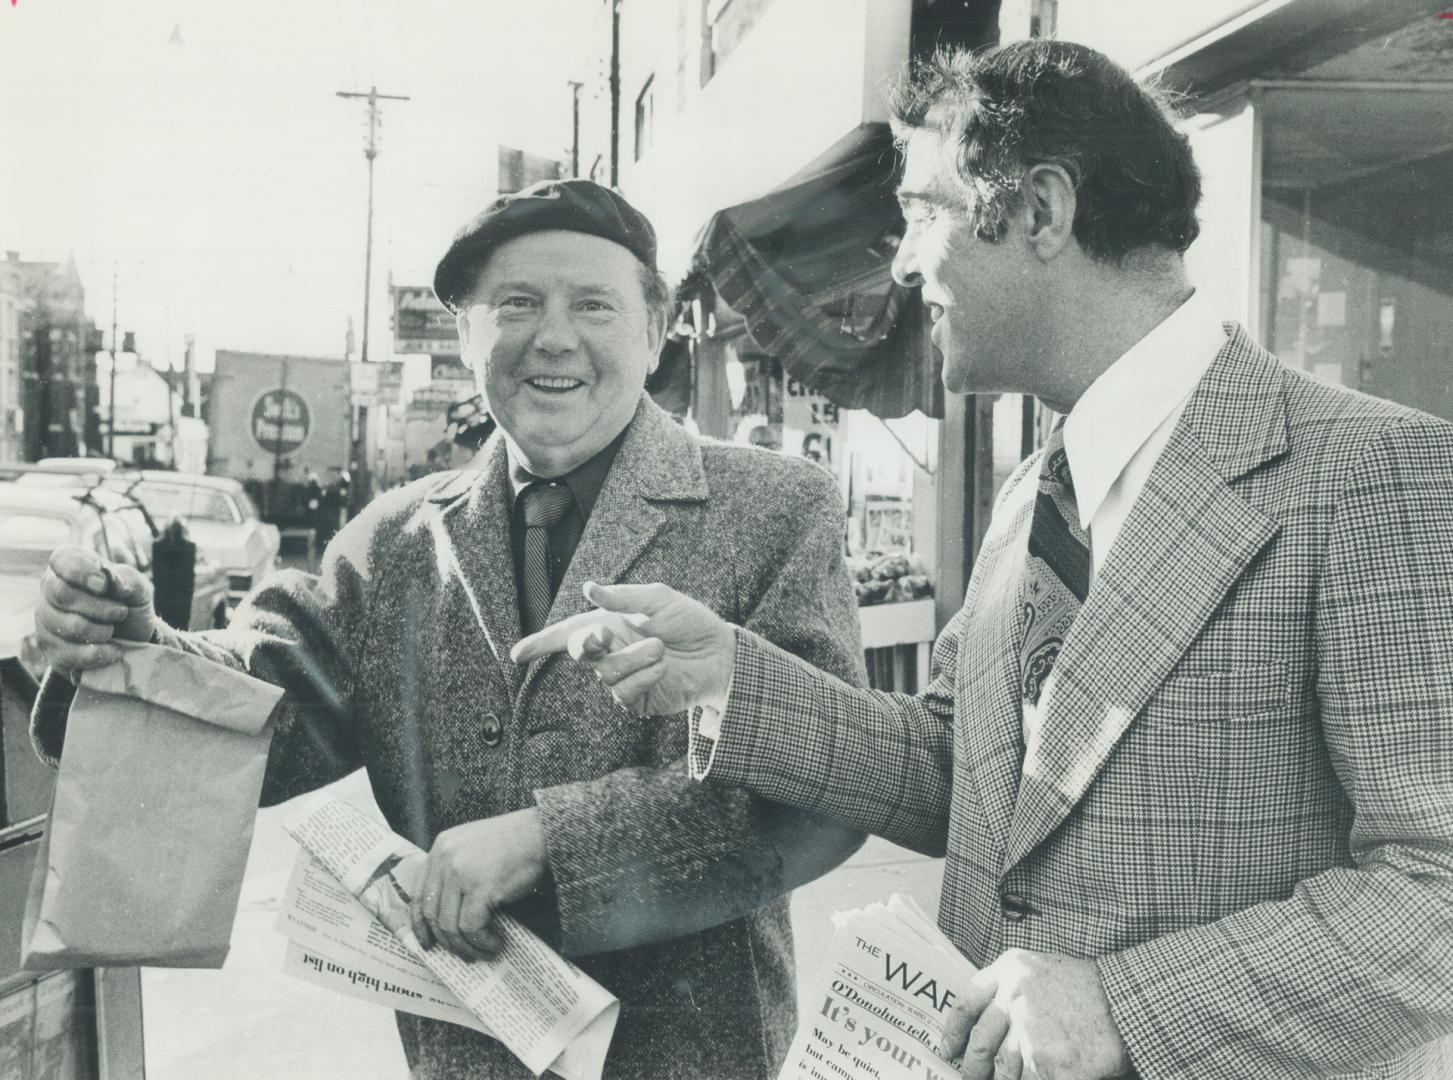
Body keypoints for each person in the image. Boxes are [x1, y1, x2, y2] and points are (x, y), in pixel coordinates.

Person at [514, 42, 1453, 1080]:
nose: (904, 262)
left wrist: (1124, 1007)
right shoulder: (1033, 492)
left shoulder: (1372, 472)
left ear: (1041, 211)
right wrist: (727, 679)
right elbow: (962, 773)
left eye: (924, 210)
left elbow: (1435, 891)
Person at [29, 179, 866, 1079]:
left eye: (593, 305)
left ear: (655, 331)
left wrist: (550, 842)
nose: (554, 337)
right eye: (515, 304)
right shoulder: (396, 539)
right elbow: (264, 707)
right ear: (466, 331)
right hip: (466, 1056)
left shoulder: (777, 508)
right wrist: (140, 648)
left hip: (691, 1056)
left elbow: (821, 790)